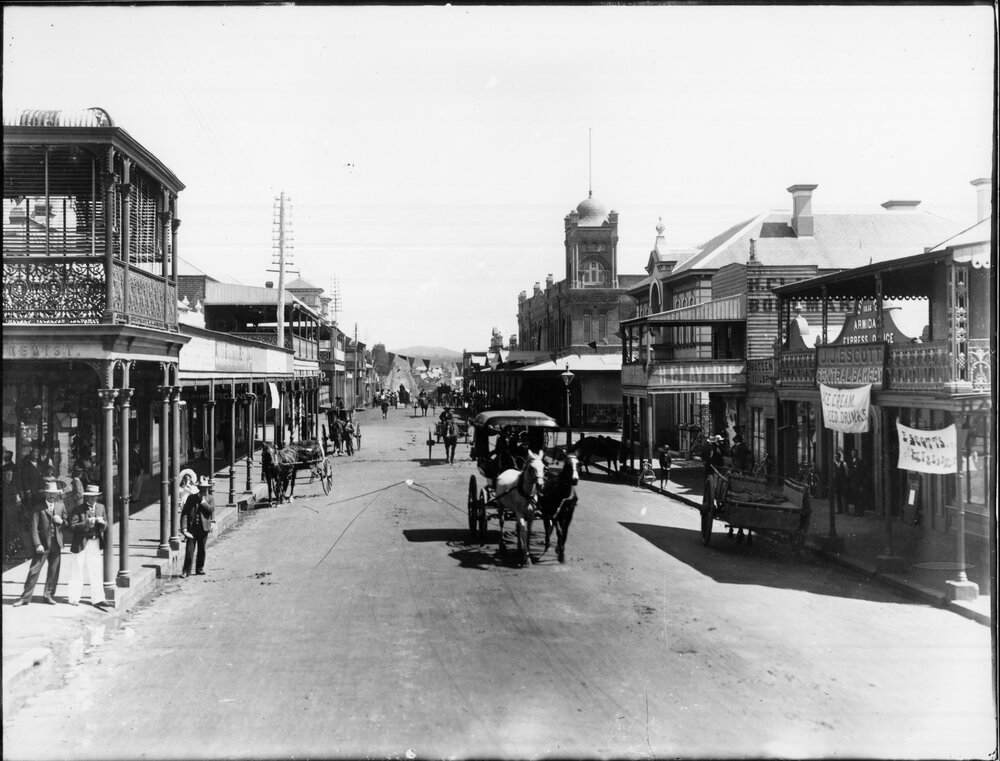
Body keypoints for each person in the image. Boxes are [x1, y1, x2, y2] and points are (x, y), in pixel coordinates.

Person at [13, 481, 66, 606]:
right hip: (42, 545)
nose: (51, 496)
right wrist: (37, 544)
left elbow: (67, 524)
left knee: (53, 571)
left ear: (57, 494)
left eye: (54, 494)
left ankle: (48, 595)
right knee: (34, 571)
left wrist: (62, 521)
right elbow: (33, 528)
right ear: (45, 494)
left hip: (56, 544)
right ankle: (25, 598)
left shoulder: (60, 506)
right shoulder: (37, 508)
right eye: (49, 494)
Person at [66, 484, 107, 607]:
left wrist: (103, 523)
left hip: (95, 542)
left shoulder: (101, 507)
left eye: (95, 497)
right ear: (86, 497)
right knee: (77, 569)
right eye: (90, 497)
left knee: (96, 570)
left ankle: (98, 598)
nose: (92, 499)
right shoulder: (78, 509)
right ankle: (74, 598)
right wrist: (85, 524)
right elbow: (71, 527)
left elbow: (106, 523)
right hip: (80, 543)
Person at [180, 476, 214, 578]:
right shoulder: (191, 498)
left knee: (201, 550)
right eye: (203, 488)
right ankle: (186, 570)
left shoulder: (210, 499)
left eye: (206, 488)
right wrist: (184, 528)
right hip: (192, 529)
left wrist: (203, 502)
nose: (205, 490)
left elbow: (210, 510)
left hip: (203, 529)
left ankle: (199, 569)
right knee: (189, 550)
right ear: (199, 488)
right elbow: (185, 513)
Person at [847, 449, 867, 515]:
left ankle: (860, 512)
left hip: (858, 483)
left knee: (859, 498)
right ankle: (856, 511)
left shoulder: (860, 462)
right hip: (852, 483)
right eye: (852, 453)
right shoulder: (851, 462)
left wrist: (861, 484)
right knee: (855, 497)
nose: (853, 454)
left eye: (854, 453)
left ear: (857, 454)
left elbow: (862, 473)